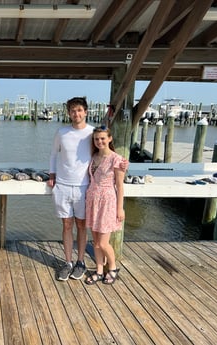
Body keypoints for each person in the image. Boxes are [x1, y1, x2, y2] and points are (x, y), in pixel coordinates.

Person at [48, 97, 93, 281]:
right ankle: (67, 262)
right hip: (63, 185)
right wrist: (52, 174)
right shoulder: (62, 132)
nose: (77, 114)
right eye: (73, 111)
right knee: (66, 225)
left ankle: (80, 261)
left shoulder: (92, 133)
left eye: (80, 110)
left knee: (82, 226)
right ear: (69, 113)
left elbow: (105, 152)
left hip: (84, 186)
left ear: (86, 112)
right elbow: (53, 155)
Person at [84, 126, 128, 285]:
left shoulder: (117, 159)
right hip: (92, 200)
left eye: (103, 138)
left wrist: (120, 208)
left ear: (109, 138)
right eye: (96, 139)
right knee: (95, 242)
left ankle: (113, 267)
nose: (99, 141)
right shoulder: (94, 156)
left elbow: (120, 185)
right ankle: (99, 270)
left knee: (103, 242)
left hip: (107, 201)